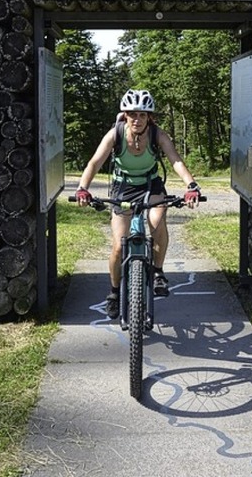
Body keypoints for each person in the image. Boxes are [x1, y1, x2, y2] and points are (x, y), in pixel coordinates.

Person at [75, 88, 201, 319]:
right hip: (123, 187)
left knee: (156, 223)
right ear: (125, 115)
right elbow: (94, 162)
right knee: (118, 245)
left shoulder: (157, 135)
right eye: (132, 113)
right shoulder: (116, 134)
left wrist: (191, 186)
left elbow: (176, 161)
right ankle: (114, 292)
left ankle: (158, 272)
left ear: (149, 117)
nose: (137, 119)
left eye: (142, 114)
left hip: (150, 185)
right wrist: (83, 188)